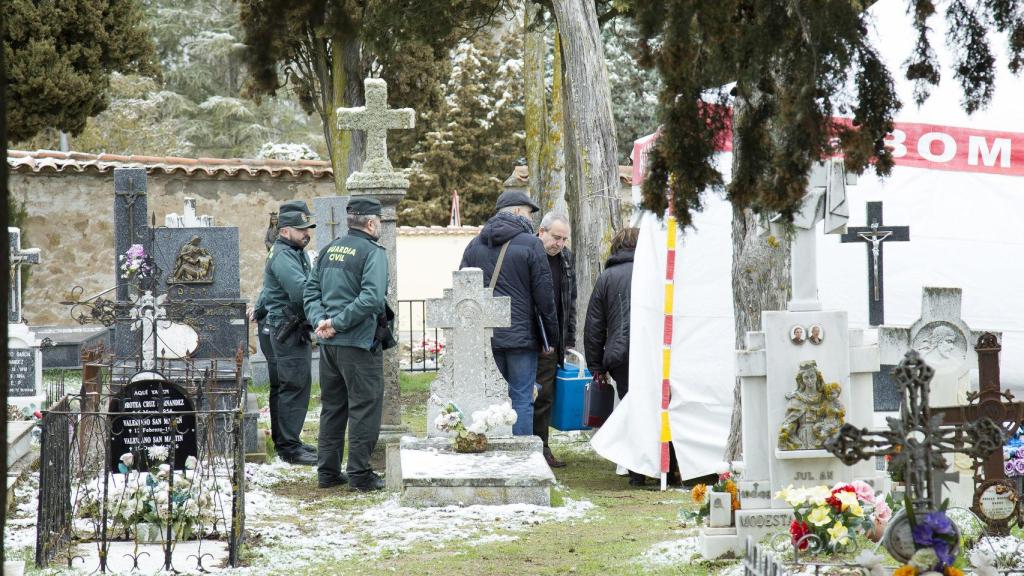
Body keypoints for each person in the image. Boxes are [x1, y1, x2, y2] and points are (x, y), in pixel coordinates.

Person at [304, 197, 392, 492]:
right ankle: (360, 474)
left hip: (329, 345)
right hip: (357, 343)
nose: (379, 226)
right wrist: (336, 323)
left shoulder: (329, 250)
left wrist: (321, 322)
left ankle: (327, 472)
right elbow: (371, 298)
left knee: (333, 407)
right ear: (370, 223)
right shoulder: (373, 253)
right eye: (378, 221)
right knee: (365, 407)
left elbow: (310, 292)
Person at [460, 190, 558, 436]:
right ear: (516, 211)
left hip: (486, 337)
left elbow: (463, 290)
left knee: (491, 398)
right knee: (522, 398)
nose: (530, 219)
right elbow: (545, 296)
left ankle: (493, 452)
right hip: (521, 338)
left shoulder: (474, 245)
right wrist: (552, 337)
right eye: (528, 213)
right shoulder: (531, 244)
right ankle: (523, 459)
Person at [584, 227, 646, 486]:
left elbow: (594, 326)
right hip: (652, 350)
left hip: (621, 353)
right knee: (658, 407)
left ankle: (636, 471)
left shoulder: (608, 277)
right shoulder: (653, 272)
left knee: (631, 407)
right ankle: (667, 464)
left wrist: (596, 364)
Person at [261, 200, 318, 466]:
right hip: (287, 329)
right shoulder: (284, 255)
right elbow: (300, 290)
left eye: (307, 228)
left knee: (289, 386)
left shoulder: (291, 252)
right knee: (293, 386)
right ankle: (289, 448)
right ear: (285, 231)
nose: (307, 233)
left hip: (289, 328)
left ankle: (288, 441)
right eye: (301, 229)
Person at [533, 212, 577, 468]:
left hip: (553, 339)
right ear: (542, 232)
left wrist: (568, 337)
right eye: (555, 237)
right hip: (530, 337)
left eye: (563, 239)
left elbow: (570, 300)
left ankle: (542, 446)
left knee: (545, 395)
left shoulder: (566, 260)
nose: (559, 244)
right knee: (529, 395)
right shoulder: (531, 254)